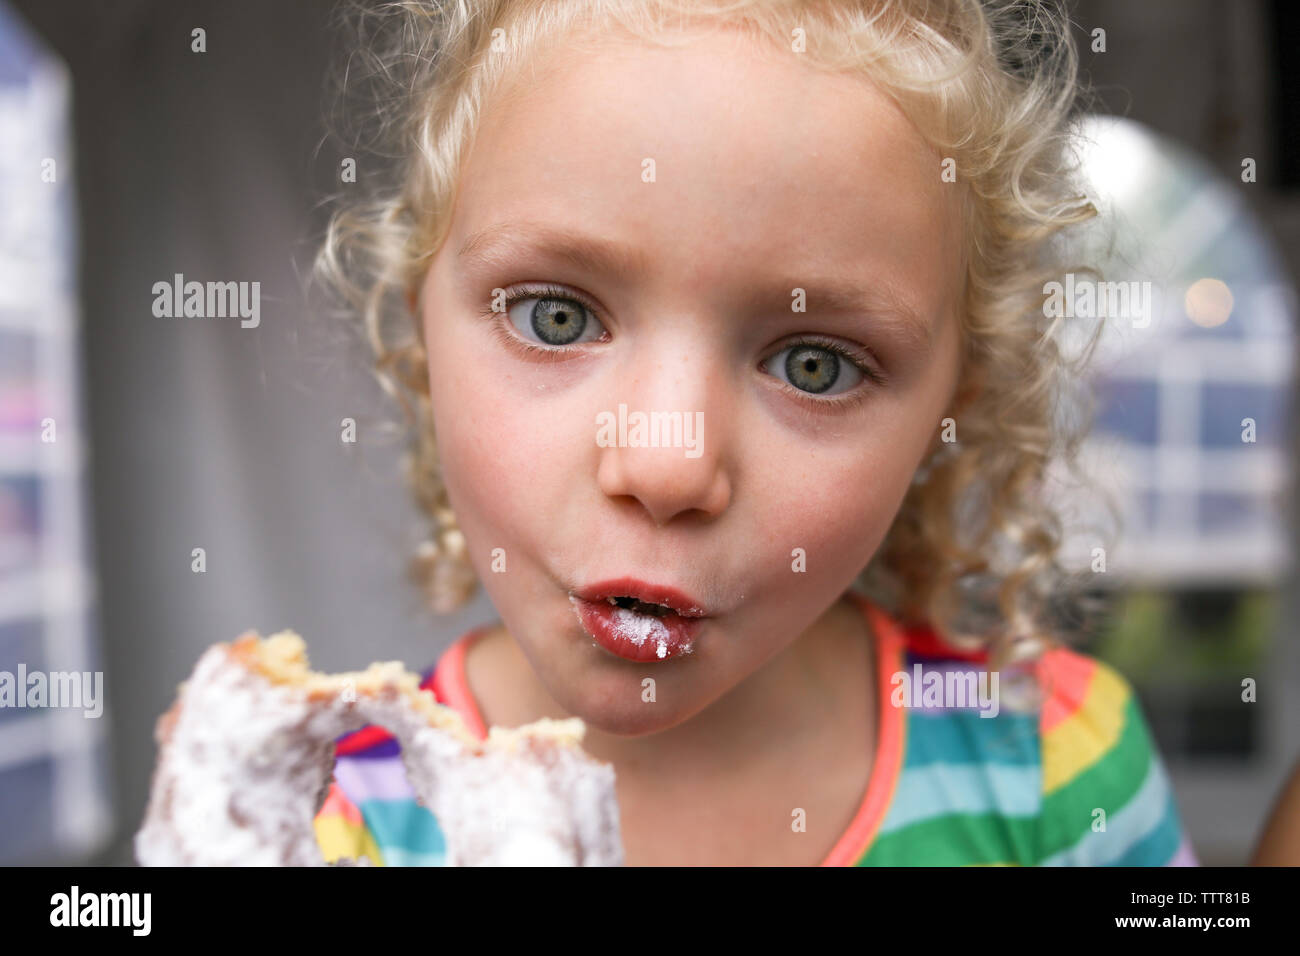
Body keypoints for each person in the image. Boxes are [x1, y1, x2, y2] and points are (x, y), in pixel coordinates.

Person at [310, 0, 1196, 866]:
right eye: (556, 318)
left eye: (817, 365)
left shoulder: (1057, 770)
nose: (668, 465)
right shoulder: (334, 819)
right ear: (418, 312)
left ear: (951, 409)